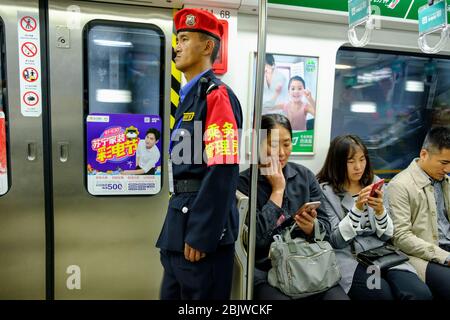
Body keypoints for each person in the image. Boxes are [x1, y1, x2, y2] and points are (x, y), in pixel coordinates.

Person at [156, 8, 243, 300]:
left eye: (184, 38)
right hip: (178, 227)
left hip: (199, 232)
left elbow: (223, 167)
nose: (177, 46)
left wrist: (203, 233)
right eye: (177, 39)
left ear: (207, 46)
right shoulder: (189, 96)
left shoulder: (215, 96)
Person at [238, 114, 348, 300]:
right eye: (273, 145)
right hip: (265, 269)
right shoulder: (243, 184)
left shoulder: (304, 176)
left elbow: (327, 231)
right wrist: (278, 191)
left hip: (306, 264)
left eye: (287, 144)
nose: (281, 152)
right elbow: (256, 241)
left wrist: (311, 228)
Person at [317, 134, 432, 300]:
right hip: (351, 257)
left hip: (382, 252)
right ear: (337, 162)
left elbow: (386, 235)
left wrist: (380, 212)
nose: (358, 166)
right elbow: (336, 240)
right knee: (380, 294)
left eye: (362, 159)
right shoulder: (325, 191)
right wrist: (357, 209)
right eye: (351, 161)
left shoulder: (374, 182)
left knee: (419, 293)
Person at [387, 126, 450, 299]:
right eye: (443, 163)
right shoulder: (399, 186)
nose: (447, 169)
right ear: (424, 154)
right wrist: (445, 257)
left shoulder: (446, 181)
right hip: (422, 254)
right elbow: (401, 237)